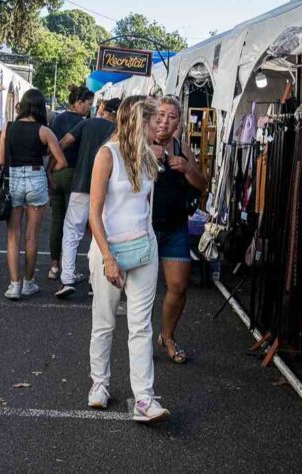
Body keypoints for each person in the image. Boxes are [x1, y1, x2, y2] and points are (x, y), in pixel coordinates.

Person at [86, 95, 170, 423]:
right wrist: (107, 257)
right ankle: (100, 384)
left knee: (140, 326)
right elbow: (94, 213)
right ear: (139, 121)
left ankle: (145, 400)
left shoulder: (148, 155)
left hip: (143, 248)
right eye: (155, 121)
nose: (160, 127)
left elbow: (145, 206)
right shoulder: (107, 155)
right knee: (104, 321)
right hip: (109, 250)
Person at [152, 97, 208, 364]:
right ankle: (138, 344)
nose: (165, 120)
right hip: (145, 228)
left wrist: (186, 167)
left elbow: (201, 184)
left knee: (178, 286)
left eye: (172, 116)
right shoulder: (140, 143)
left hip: (175, 227)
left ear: (179, 122)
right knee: (143, 291)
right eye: (161, 115)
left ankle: (168, 336)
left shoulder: (181, 147)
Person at [0, 88, 67, 300]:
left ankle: (14, 285)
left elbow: (2, 161)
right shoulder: (44, 131)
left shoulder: (8, 128)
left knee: (13, 235)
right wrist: (49, 171)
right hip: (36, 179)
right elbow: (62, 161)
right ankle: (29, 282)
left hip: (13, 180)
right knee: (31, 236)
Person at [55, 97, 120, 298]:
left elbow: (64, 142)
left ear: (103, 109)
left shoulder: (87, 123)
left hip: (82, 182)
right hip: (109, 189)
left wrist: (57, 164)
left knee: (72, 231)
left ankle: (66, 279)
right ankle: (96, 282)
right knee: (102, 234)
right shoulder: (118, 132)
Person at [47, 85, 94, 282]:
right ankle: (69, 269)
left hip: (57, 172)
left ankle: (54, 265)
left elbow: (52, 146)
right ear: (79, 102)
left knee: (57, 220)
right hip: (76, 174)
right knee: (73, 225)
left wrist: (49, 170)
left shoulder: (57, 119)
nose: (89, 108)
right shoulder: (84, 123)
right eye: (88, 104)